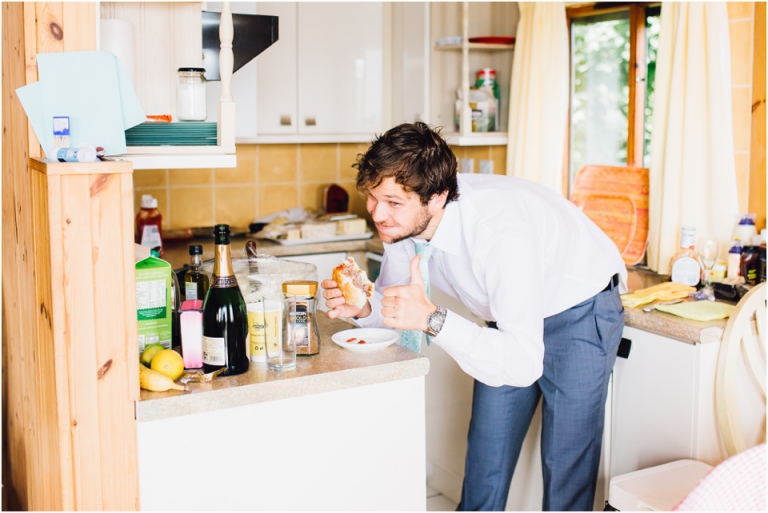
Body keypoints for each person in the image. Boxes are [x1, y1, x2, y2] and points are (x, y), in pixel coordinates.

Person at [321, 122, 626, 511]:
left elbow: (521, 361)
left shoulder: (499, 234)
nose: (378, 214)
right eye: (373, 197)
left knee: (566, 467)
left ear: (438, 197)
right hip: (508, 321)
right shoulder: (401, 227)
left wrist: (433, 319)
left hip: (579, 309)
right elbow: (398, 304)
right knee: (486, 458)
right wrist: (364, 307)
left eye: (393, 202)